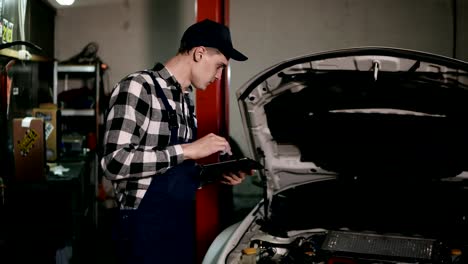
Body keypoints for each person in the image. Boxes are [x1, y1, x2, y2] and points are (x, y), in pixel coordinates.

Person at [100, 19, 249, 264]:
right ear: (200, 53)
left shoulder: (184, 101)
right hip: (143, 230)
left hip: (179, 225)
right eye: (220, 66)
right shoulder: (139, 87)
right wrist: (188, 149)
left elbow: (175, 169)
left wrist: (215, 175)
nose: (219, 76)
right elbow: (114, 163)